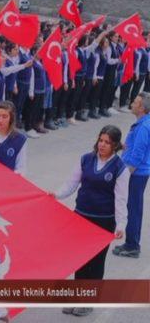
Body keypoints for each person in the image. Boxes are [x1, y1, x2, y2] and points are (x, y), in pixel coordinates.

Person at [52, 125, 128, 317]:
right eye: (101, 140)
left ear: (115, 146)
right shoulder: (86, 159)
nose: (102, 145)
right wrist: (57, 194)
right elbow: (72, 183)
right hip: (81, 216)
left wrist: (121, 225)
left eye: (107, 143)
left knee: (95, 263)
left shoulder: (120, 169)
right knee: (80, 260)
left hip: (103, 221)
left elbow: (121, 200)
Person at [113, 92, 150, 258]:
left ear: (142, 108)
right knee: (133, 207)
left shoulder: (143, 127)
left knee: (133, 209)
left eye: (135, 102)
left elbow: (138, 154)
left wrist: (126, 175)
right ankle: (131, 242)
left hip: (136, 174)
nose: (132, 104)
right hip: (139, 173)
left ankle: (132, 245)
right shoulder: (143, 123)